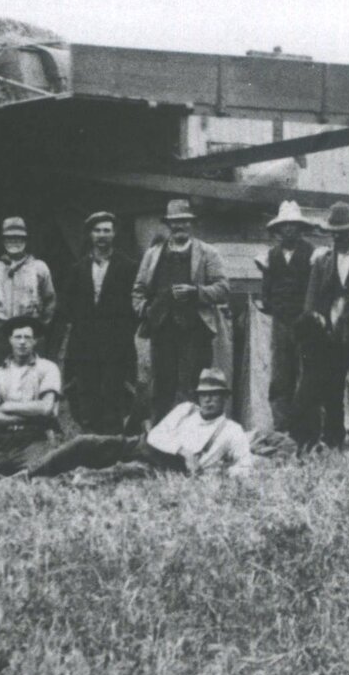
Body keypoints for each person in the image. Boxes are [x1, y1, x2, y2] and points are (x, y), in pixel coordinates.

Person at [25, 367, 261, 482]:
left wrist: (220, 473)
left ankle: (64, 480)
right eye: (204, 394)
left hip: (164, 469)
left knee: (113, 476)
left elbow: (245, 466)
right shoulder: (186, 409)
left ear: (224, 398)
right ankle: (28, 474)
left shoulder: (231, 430)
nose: (208, 399)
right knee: (84, 443)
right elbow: (156, 435)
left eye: (215, 395)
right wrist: (184, 451)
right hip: (141, 446)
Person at [132, 199, 231, 416]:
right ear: (168, 225)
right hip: (162, 330)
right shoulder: (153, 254)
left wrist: (195, 292)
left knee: (194, 387)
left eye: (184, 221)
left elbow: (223, 288)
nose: (179, 226)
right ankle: (159, 440)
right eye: (175, 222)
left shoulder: (207, 253)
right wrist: (145, 310)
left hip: (195, 331)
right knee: (161, 388)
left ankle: (192, 439)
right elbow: (138, 289)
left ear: (191, 224)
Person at [295, 202, 349, 451]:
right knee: (332, 391)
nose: (339, 237)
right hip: (330, 337)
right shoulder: (323, 261)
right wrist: (315, 319)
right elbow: (312, 299)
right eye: (335, 233)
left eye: (344, 232)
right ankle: (334, 439)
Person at [59, 211, 140, 434]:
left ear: (114, 234)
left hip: (116, 342)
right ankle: (89, 440)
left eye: (107, 230)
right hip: (84, 343)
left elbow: (135, 305)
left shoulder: (128, 267)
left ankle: (111, 443)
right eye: (97, 231)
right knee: (86, 390)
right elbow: (67, 306)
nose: (102, 235)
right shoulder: (78, 269)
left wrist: (122, 330)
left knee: (112, 391)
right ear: (90, 234)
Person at [0, 316, 65, 480]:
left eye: (27, 337)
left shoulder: (48, 368)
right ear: (10, 340)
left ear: (35, 341)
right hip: (2, 441)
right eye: (18, 337)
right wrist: (30, 416)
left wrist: (7, 406)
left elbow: (46, 408)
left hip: (35, 439)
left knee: (41, 476)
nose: (22, 342)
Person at [256, 201, 316, 440]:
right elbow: (266, 292)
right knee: (281, 376)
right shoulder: (270, 257)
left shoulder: (312, 254)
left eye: (293, 225)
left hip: (306, 323)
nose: (289, 230)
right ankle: (282, 428)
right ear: (278, 230)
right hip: (281, 323)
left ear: (300, 228)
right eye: (285, 226)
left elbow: (315, 288)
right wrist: (273, 308)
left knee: (307, 374)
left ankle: (307, 429)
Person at [0, 217, 56, 375]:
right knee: (0, 370)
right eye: (9, 238)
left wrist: (41, 326)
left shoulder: (39, 267)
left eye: (19, 238)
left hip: (30, 327)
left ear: (26, 240)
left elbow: (50, 299)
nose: (14, 242)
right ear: (3, 241)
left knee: (34, 371)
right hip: (1, 329)